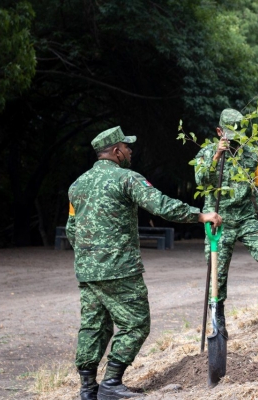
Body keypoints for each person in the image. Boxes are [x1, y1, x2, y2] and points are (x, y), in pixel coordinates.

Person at [67, 126, 222, 400]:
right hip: (120, 269)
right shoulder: (127, 179)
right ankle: (112, 382)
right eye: (126, 147)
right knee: (137, 324)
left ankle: (88, 388)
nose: (130, 151)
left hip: (87, 271)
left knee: (94, 326)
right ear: (116, 151)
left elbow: (72, 228)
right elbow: (160, 205)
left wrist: (90, 257)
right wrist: (200, 216)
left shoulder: (77, 185)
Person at [194, 108, 258, 338]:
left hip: (246, 218)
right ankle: (218, 320)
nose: (237, 142)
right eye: (232, 136)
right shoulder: (206, 153)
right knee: (217, 273)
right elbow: (200, 180)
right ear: (219, 132)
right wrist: (217, 157)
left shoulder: (251, 155)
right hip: (218, 221)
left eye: (240, 137)